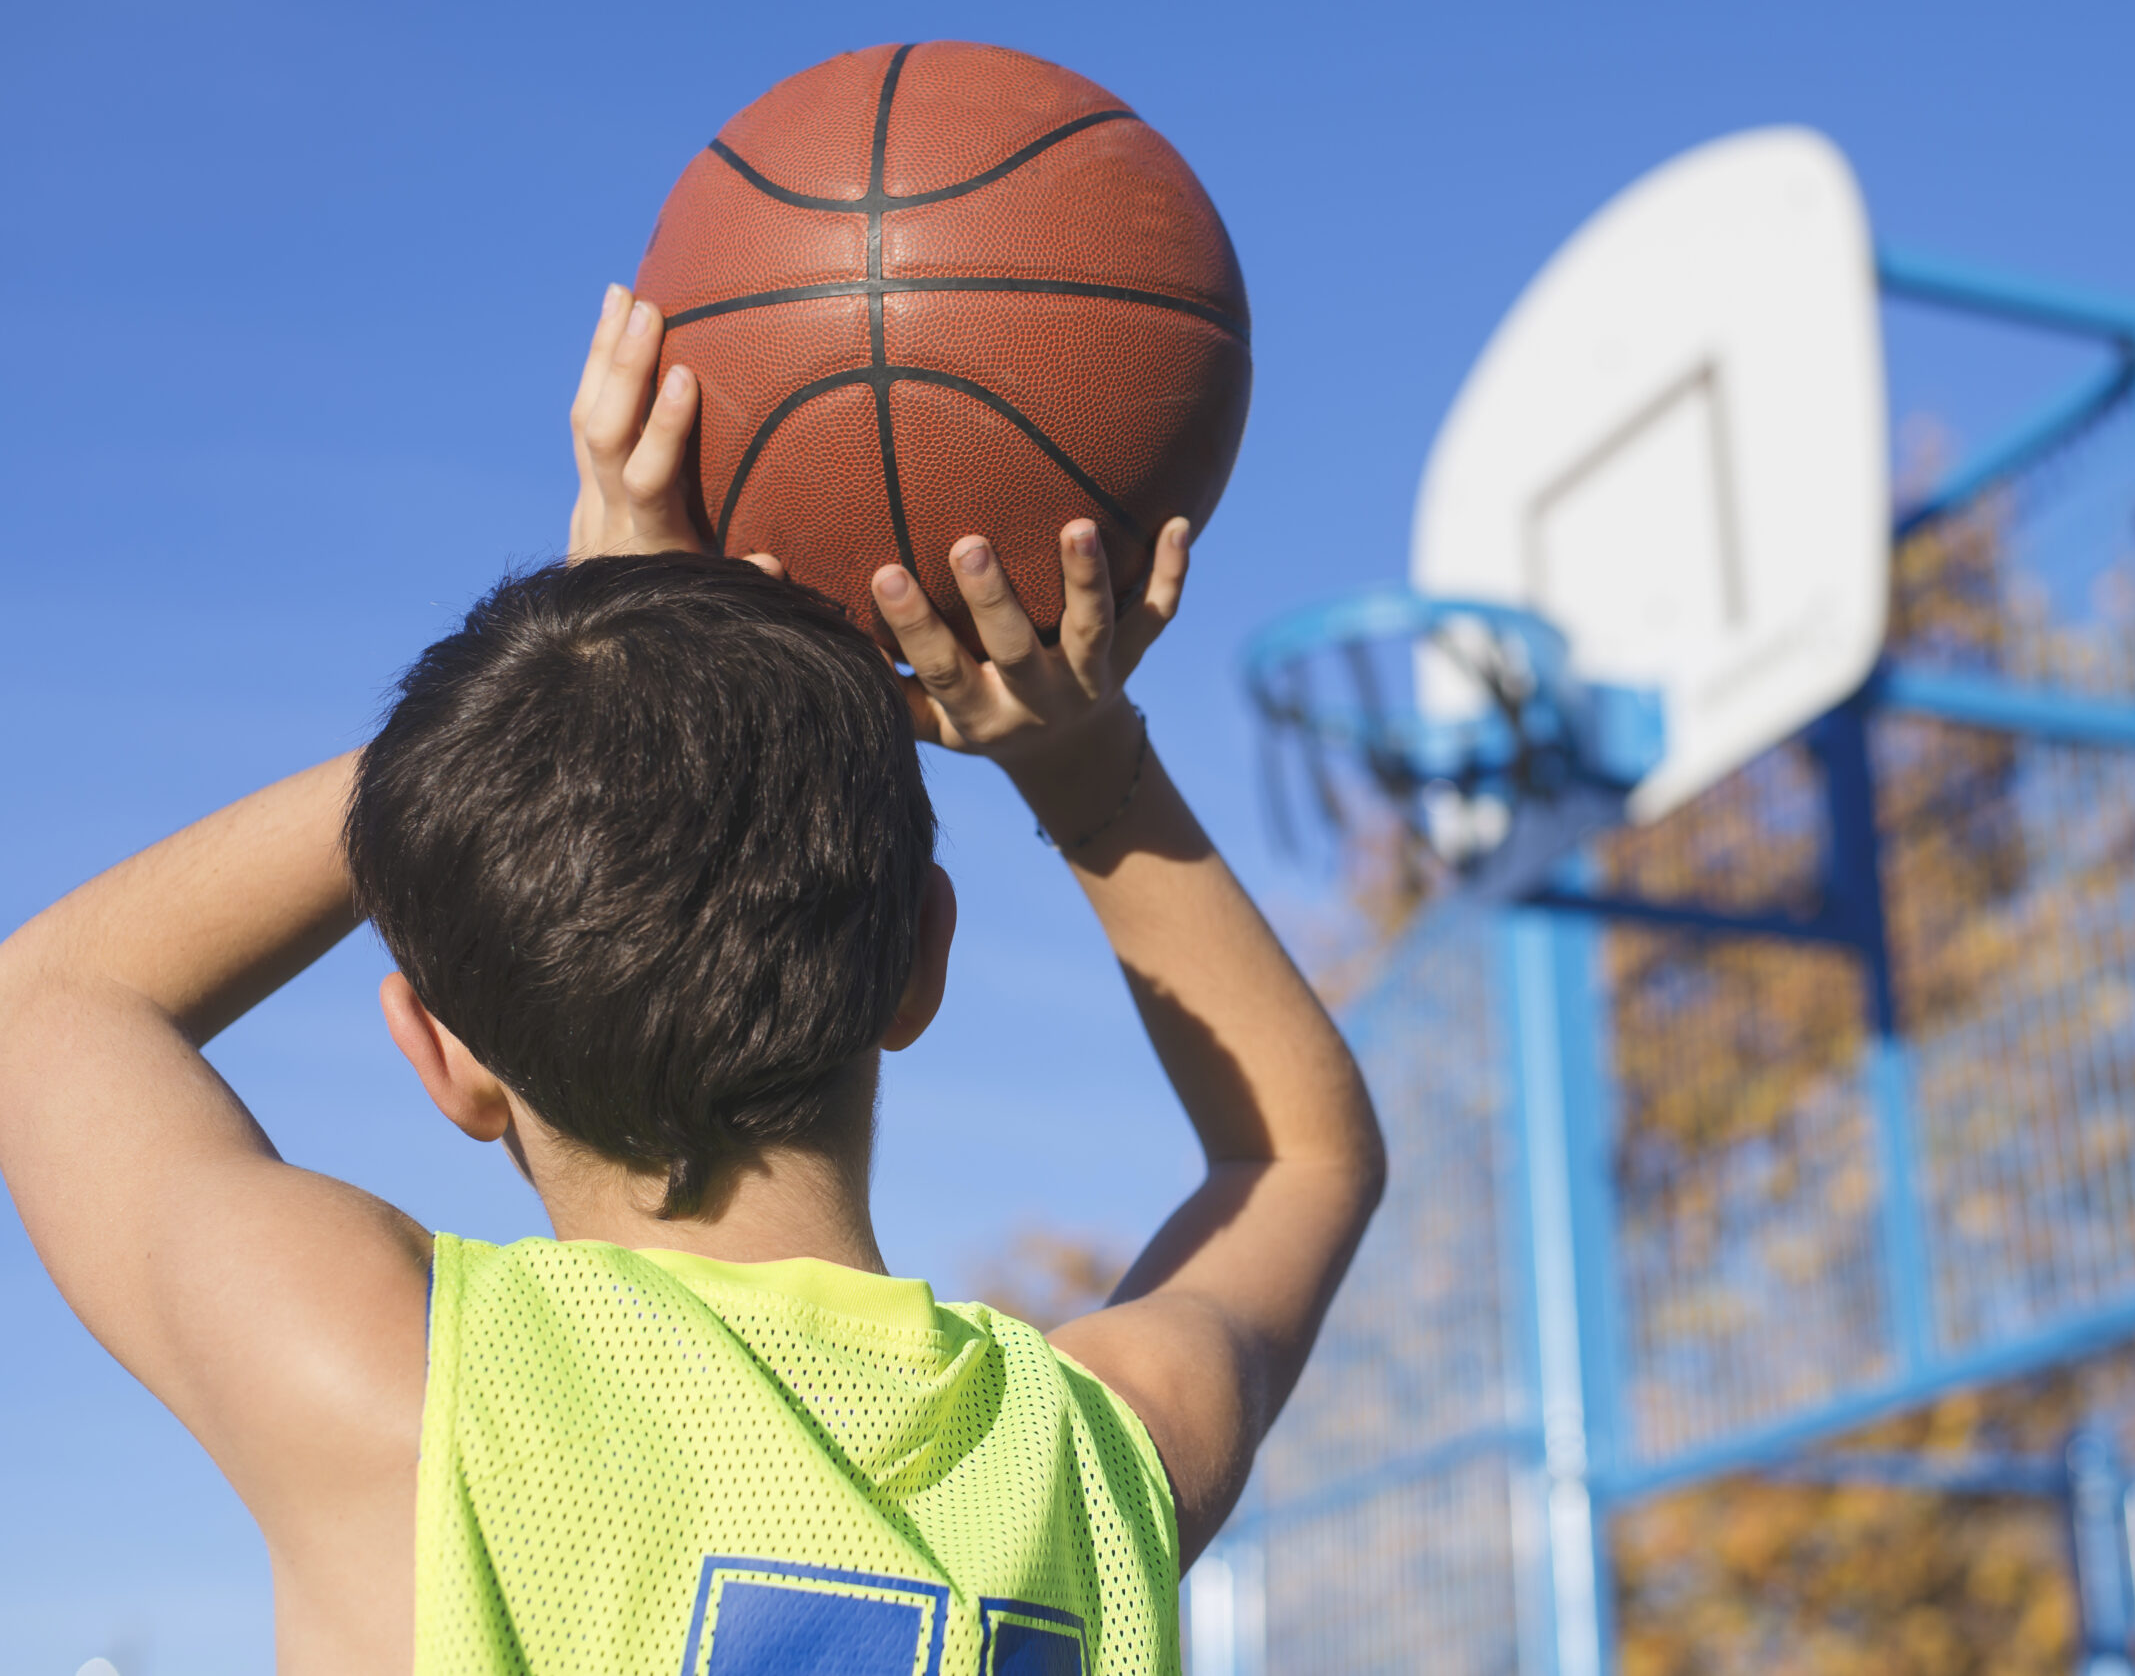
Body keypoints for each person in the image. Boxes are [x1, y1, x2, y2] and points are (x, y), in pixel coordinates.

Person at [0, 286, 1384, 1673]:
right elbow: (1303, 1157)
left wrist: (526, 728)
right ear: (923, 959)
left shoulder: (396, 1383)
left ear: (442, 1050)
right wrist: (1086, 768)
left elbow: (48, 1002)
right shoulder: (1095, 1448)